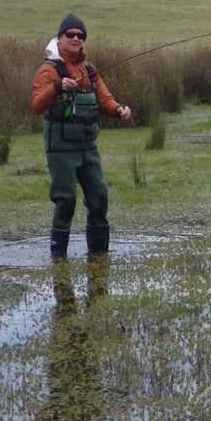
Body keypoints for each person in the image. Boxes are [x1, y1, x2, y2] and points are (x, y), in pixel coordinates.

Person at [29, 14, 132, 259]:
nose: (76, 38)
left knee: (99, 196)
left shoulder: (90, 69)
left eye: (80, 35)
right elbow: (35, 105)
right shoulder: (48, 70)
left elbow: (104, 98)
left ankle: (99, 256)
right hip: (61, 147)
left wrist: (118, 109)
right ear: (60, 38)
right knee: (66, 200)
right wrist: (57, 87)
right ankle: (58, 257)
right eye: (70, 35)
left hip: (88, 145)